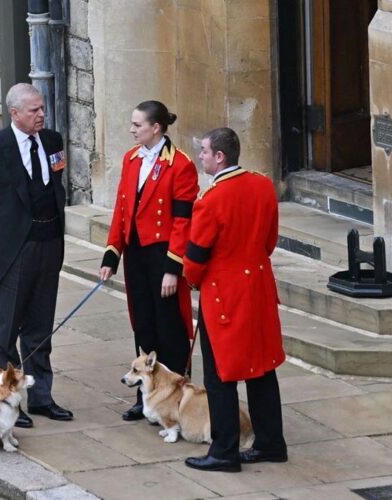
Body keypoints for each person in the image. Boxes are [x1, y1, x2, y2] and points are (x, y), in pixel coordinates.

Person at [0, 82, 72, 428]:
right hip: (11, 253)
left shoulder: (52, 142)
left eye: (42, 109)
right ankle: (9, 402)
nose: (41, 115)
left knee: (39, 328)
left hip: (48, 245)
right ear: (15, 113)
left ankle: (41, 396)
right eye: (33, 110)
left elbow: (56, 185)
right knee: (4, 328)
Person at [183, 127, 288, 473]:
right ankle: (271, 442)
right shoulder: (262, 185)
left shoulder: (210, 200)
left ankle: (224, 451)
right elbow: (269, 240)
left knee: (220, 376)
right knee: (262, 369)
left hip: (224, 297)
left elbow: (195, 261)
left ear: (220, 157)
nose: (200, 156)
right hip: (258, 289)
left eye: (204, 151)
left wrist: (194, 279)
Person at [99, 100, 198, 421]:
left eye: (137, 125)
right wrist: (111, 253)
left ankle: (178, 397)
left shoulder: (180, 164)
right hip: (137, 256)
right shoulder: (131, 159)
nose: (131, 130)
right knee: (143, 326)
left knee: (168, 328)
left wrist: (173, 269)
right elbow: (122, 210)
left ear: (156, 128)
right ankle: (147, 397)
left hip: (163, 255)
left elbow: (184, 222)